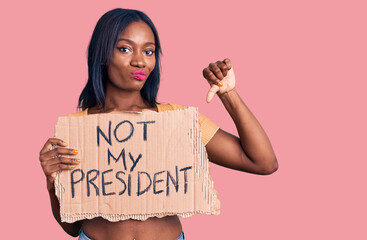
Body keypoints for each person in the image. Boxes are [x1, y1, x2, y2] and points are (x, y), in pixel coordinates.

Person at [39, 8, 278, 240]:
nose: (140, 62)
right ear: (102, 55)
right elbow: (71, 227)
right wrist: (52, 185)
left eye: (149, 51)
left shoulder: (178, 121)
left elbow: (263, 162)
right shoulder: (78, 131)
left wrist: (229, 94)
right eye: (125, 49)